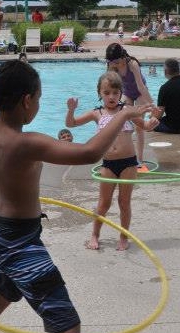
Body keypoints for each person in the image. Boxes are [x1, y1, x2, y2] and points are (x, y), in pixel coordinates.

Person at [0, 0, 148, 333]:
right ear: (27, 101)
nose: (39, 104)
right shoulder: (27, 143)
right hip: (18, 241)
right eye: (38, 98)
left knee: (3, 293)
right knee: (66, 324)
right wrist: (124, 115)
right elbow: (90, 153)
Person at [66, 72, 159, 251]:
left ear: (120, 93)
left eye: (116, 93)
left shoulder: (127, 111)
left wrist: (154, 120)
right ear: (99, 93)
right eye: (107, 92)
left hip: (128, 163)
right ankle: (95, 234)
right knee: (104, 203)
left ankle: (123, 236)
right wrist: (71, 110)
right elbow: (71, 124)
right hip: (108, 164)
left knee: (124, 203)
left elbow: (146, 126)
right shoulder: (97, 113)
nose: (111, 97)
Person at [104, 43, 153, 170]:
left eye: (116, 61)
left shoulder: (132, 64)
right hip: (127, 93)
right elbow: (109, 86)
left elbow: (141, 87)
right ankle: (124, 155)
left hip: (140, 93)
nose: (113, 64)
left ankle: (139, 160)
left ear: (122, 56)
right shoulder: (112, 65)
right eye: (110, 61)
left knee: (139, 126)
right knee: (122, 123)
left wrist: (152, 104)